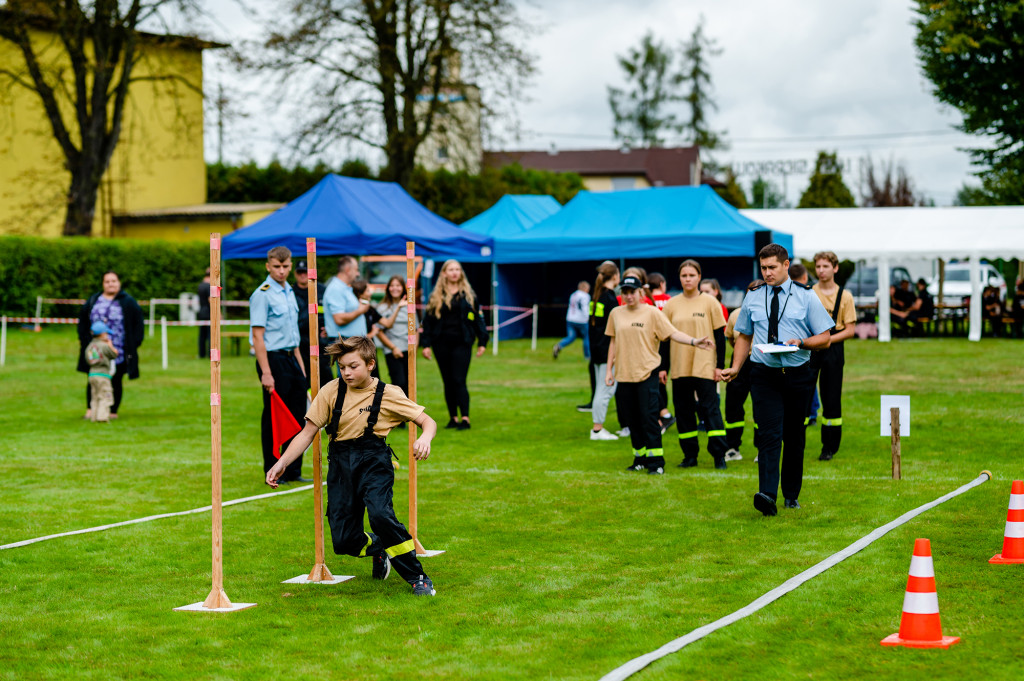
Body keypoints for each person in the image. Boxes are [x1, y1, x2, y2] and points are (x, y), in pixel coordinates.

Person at [266, 336, 438, 596]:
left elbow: (428, 421)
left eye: (353, 366)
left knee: (381, 516)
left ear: (370, 364)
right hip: (341, 464)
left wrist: (425, 438)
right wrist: (282, 463)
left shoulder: (389, 393)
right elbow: (307, 433)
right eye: (342, 367)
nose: (346, 372)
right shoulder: (330, 391)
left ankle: (418, 577)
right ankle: (380, 547)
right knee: (345, 541)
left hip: (374, 461)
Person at [722, 244, 834, 516]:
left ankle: (791, 494)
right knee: (768, 434)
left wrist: (803, 342)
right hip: (764, 374)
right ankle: (768, 495)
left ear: (786, 266)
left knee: (794, 436)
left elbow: (826, 338)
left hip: (798, 374)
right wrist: (736, 367)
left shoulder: (806, 297)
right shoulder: (754, 296)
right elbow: (744, 335)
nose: (767, 273)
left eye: (772, 267)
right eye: (763, 268)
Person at [608, 275, 712, 475]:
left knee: (648, 418)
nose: (629, 296)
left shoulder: (653, 313)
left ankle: (656, 462)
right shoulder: (616, 313)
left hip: (647, 374)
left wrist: (694, 341)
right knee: (632, 420)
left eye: (632, 292)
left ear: (641, 292)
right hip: (623, 375)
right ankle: (640, 458)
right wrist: (608, 372)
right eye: (625, 292)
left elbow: (672, 333)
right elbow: (613, 342)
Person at [250, 246, 309, 484]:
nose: (282, 271)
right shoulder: (262, 294)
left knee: (299, 416)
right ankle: (273, 469)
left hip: (292, 357)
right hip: (272, 359)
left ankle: (293, 470)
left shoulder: (289, 291)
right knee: (275, 417)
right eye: (277, 267)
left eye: (286, 267)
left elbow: (293, 336)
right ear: (268, 266)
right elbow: (258, 336)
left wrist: (302, 368)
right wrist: (266, 372)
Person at [662, 260, 729, 469]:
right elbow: (665, 338)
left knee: (711, 411)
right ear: (679, 278)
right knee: (683, 412)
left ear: (699, 277)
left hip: (705, 366)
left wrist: (719, 366)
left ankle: (719, 456)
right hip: (680, 367)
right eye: (684, 276)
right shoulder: (671, 304)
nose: (688, 279)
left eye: (692, 275)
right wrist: (663, 367)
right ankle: (690, 456)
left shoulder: (710, 302)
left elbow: (720, 337)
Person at [420, 259, 489, 430]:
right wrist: (426, 344)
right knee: (448, 381)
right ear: (444, 273)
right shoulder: (436, 296)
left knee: (459, 380)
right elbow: (428, 322)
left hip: (462, 343)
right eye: (450, 269)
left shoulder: (469, 295)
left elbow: (477, 319)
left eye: (457, 269)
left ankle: (465, 418)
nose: (454, 272)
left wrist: (482, 341)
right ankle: (453, 418)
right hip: (440, 343)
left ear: (461, 273)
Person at [77, 271, 144, 420]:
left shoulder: (128, 302)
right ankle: (91, 409)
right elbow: (83, 321)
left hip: (118, 349)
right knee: (93, 377)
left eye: (113, 281)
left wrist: (135, 343)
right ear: (103, 284)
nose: (110, 284)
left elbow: (138, 323)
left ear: (119, 283)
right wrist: (84, 341)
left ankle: (112, 410)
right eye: (107, 281)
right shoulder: (94, 300)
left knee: (116, 379)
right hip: (96, 350)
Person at [810, 251, 857, 462]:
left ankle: (829, 446)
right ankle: (795, 441)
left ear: (835, 268)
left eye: (825, 266)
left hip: (833, 347)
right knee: (802, 394)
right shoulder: (810, 293)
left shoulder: (845, 296)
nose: (821, 270)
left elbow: (850, 330)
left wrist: (828, 341)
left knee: (831, 398)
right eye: (818, 266)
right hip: (811, 345)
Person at [722, 281, 763, 462]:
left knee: (761, 407)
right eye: (750, 293)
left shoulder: (768, 315)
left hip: (761, 363)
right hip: (739, 364)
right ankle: (732, 447)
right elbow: (732, 339)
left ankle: (762, 449)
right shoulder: (736, 314)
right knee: (733, 405)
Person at [587, 262, 620, 440]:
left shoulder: (597, 296)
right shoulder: (609, 298)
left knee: (601, 388)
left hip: (596, 349)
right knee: (605, 389)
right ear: (615, 276)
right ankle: (597, 429)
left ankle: (597, 428)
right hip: (606, 351)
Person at [292, 260, 333, 388]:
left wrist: (329, 327)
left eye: (305, 272)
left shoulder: (322, 290)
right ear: (295, 274)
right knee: (302, 380)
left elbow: (333, 311)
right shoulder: (290, 292)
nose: (303, 275)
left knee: (326, 380)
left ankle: (327, 407)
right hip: (299, 342)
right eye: (300, 272)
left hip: (319, 341)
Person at [789, 263, 819, 424]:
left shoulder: (792, 295)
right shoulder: (810, 295)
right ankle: (812, 413)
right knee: (809, 380)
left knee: (808, 380)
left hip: (802, 347)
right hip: (809, 347)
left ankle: (811, 412)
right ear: (805, 277)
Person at [375, 275, 411, 397]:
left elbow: (415, 329)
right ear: (388, 288)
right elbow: (379, 331)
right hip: (392, 350)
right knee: (399, 383)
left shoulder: (409, 306)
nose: (395, 288)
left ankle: (409, 414)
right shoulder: (382, 307)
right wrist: (393, 348)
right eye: (392, 286)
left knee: (409, 383)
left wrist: (414, 347)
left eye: (398, 285)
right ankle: (398, 413)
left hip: (408, 349)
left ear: (403, 288)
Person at [648, 273, 675, 433]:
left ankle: (663, 415)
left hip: (651, 346)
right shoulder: (670, 300)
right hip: (668, 343)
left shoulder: (646, 301)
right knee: (661, 382)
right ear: (662, 283)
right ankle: (663, 414)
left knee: (653, 383)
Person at [324, 256, 370, 349]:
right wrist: (360, 310)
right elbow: (339, 319)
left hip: (351, 341)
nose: (358, 274)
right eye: (356, 270)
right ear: (348, 270)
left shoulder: (343, 287)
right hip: (345, 341)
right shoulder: (335, 289)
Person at [84, 321, 119, 422]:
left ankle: (94, 417)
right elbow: (114, 354)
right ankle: (102, 417)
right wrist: (110, 345)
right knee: (105, 396)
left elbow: (87, 359)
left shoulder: (90, 346)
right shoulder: (104, 346)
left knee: (95, 397)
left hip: (92, 374)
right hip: (103, 374)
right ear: (103, 334)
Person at [553, 281, 591, 359]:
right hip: (581, 320)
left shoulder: (573, 294)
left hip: (570, 319)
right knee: (586, 337)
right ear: (585, 288)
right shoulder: (585, 296)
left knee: (571, 337)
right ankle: (587, 356)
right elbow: (584, 307)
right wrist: (587, 317)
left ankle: (559, 345)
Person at [198, 268, 211, 359]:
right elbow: (211, 299)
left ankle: (201, 354)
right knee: (211, 335)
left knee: (202, 335)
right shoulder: (209, 286)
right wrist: (218, 312)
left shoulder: (200, 285)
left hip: (201, 311)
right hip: (209, 312)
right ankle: (210, 354)